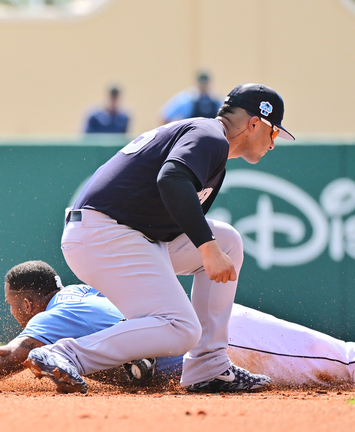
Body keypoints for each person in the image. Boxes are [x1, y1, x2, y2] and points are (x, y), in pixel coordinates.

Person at [26, 83, 298, 395]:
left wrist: (210, 246)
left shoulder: (210, 145)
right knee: (181, 328)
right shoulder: (210, 136)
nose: (273, 143)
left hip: (125, 233)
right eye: (273, 133)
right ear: (253, 124)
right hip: (104, 232)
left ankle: (209, 367)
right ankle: (66, 354)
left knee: (228, 241)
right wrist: (206, 249)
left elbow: (171, 210)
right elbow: (171, 179)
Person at [0, 260, 355, 392]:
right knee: (334, 378)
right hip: (206, 348)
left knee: (343, 361)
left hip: (222, 337)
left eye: (13, 308)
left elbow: (4, 358)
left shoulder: (61, 312)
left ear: (25, 303)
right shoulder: (80, 300)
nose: (15, 317)